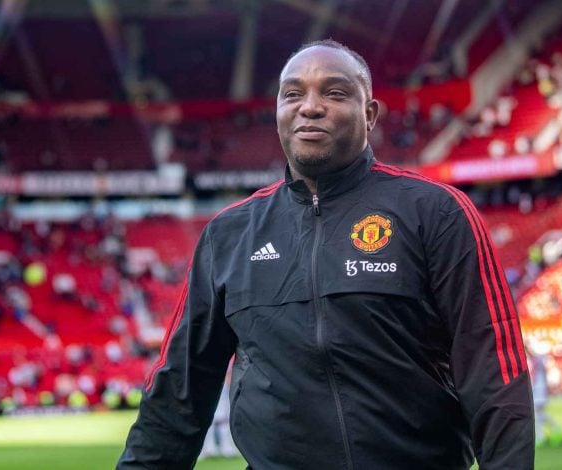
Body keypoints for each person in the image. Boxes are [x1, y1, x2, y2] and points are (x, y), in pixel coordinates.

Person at [117, 39, 534, 469]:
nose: (309, 107)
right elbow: (177, 395)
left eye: (334, 93)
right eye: (292, 94)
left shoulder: (437, 213)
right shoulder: (229, 235)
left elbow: (495, 378)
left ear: (369, 115)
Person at [527, 341, 562, 447]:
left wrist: (527, 346)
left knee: (536, 413)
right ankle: (553, 428)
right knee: (539, 414)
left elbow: (532, 354)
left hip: (540, 389)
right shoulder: (539, 359)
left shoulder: (540, 359)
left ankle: (542, 435)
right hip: (538, 389)